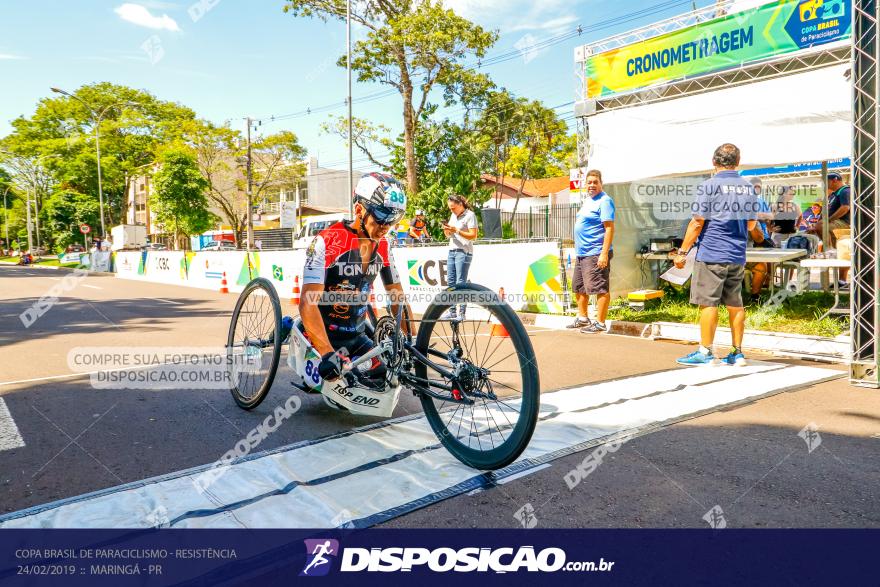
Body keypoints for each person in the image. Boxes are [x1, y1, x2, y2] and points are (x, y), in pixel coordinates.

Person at [298, 172, 411, 391]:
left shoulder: (385, 247)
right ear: (359, 210)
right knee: (326, 384)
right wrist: (327, 353)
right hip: (324, 337)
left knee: (383, 383)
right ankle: (287, 326)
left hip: (356, 336)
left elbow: (398, 299)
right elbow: (307, 303)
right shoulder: (326, 241)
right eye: (381, 215)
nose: (387, 225)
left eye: (394, 218)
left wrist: (411, 344)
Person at [674, 143, 758, 367]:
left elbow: (697, 222)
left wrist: (682, 252)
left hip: (712, 252)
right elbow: (751, 225)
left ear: (714, 161)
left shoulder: (709, 186)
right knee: (735, 304)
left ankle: (706, 351)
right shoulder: (748, 188)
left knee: (708, 303)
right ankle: (737, 353)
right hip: (737, 254)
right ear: (738, 162)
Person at [567, 169, 615, 334]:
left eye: (595, 182)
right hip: (582, 253)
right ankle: (583, 318)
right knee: (579, 287)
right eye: (589, 182)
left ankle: (600, 323)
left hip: (596, 252)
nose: (592, 185)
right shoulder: (588, 200)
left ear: (601, 183)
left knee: (600, 287)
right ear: (585, 184)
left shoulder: (605, 201)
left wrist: (603, 253)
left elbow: (609, 229)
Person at [441, 194, 478, 321]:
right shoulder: (453, 216)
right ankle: (452, 312)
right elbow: (448, 235)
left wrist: (456, 230)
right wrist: (447, 230)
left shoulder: (470, 215)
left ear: (460, 204)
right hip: (452, 250)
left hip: (464, 251)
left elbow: (473, 236)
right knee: (451, 282)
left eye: (453, 208)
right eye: (450, 208)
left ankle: (462, 313)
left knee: (460, 282)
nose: (451, 210)